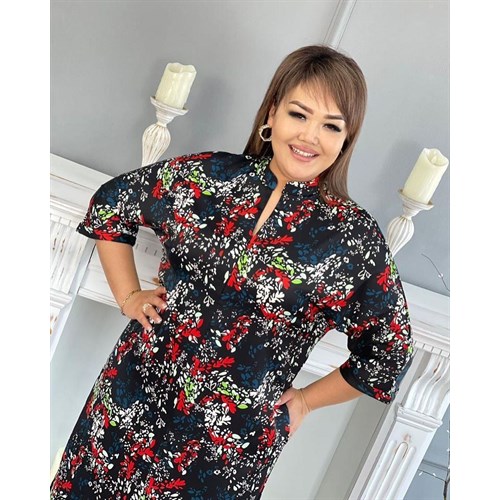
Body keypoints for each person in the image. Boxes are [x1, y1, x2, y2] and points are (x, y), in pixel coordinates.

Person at [50, 44, 414, 499]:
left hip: (227, 450)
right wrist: (129, 297)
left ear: (346, 139)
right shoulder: (209, 176)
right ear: (273, 112)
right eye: (298, 114)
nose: (309, 136)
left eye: (331, 125)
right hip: (129, 401)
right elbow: (112, 204)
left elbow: (388, 354)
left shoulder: (353, 240)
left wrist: (305, 400)